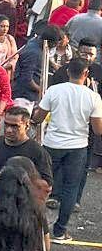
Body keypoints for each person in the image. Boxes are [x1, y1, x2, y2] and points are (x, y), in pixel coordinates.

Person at [32, 56, 102, 240]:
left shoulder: (54, 90)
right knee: (71, 187)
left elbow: (39, 117)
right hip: (78, 146)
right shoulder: (93, 97)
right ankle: (60, 230)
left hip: (52, 143)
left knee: (42, 183)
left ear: (68, 71)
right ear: (86, 74)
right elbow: (98, 130)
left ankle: (35, 227)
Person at [0, 105, 53, 185]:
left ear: (27, 126)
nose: (9, 130)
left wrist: (17, 179)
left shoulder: (38, 152)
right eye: (6, 124)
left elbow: (47, 185)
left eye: (15, 126)